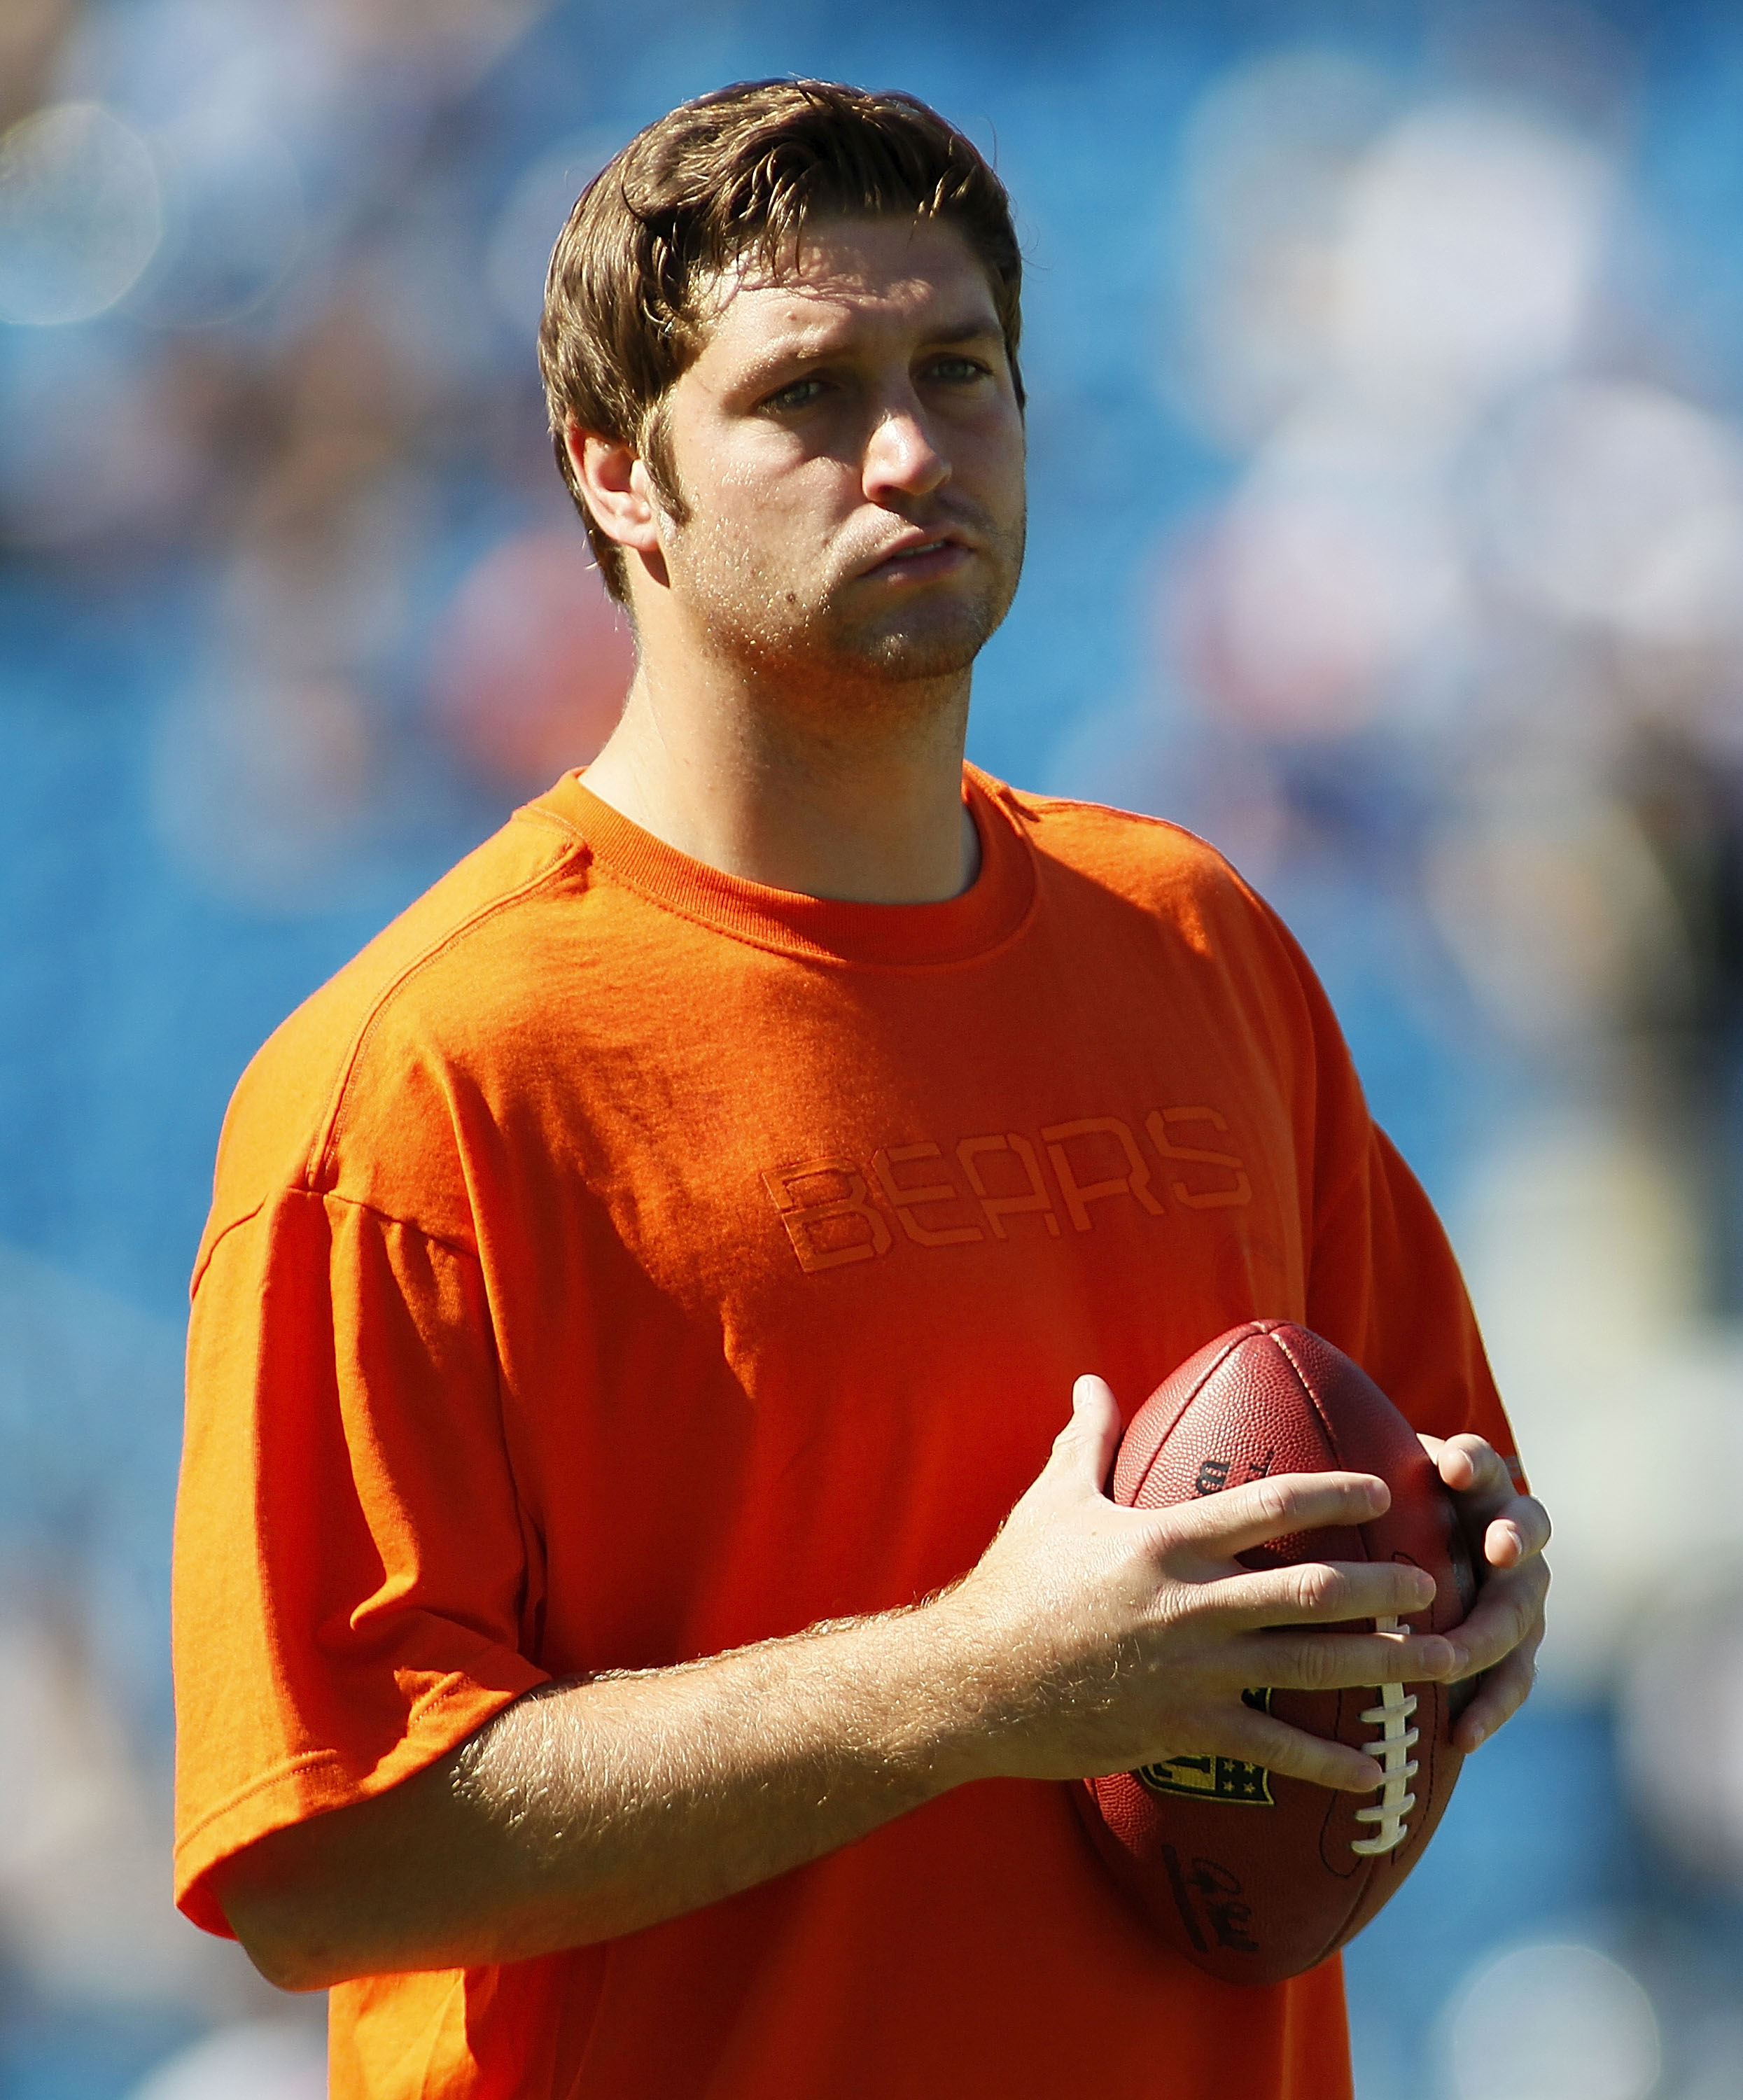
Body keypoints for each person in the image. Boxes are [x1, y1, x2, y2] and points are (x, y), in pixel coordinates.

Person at [172, 78, 1548, 2100]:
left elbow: (1394, 1509)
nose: (909, 450)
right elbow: (324, 1864)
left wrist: (1466, 1602)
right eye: (805, 393)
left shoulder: (1196, 945)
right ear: (616, 478)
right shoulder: (421, 1084)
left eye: (959, 370)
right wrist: (976, 1686)